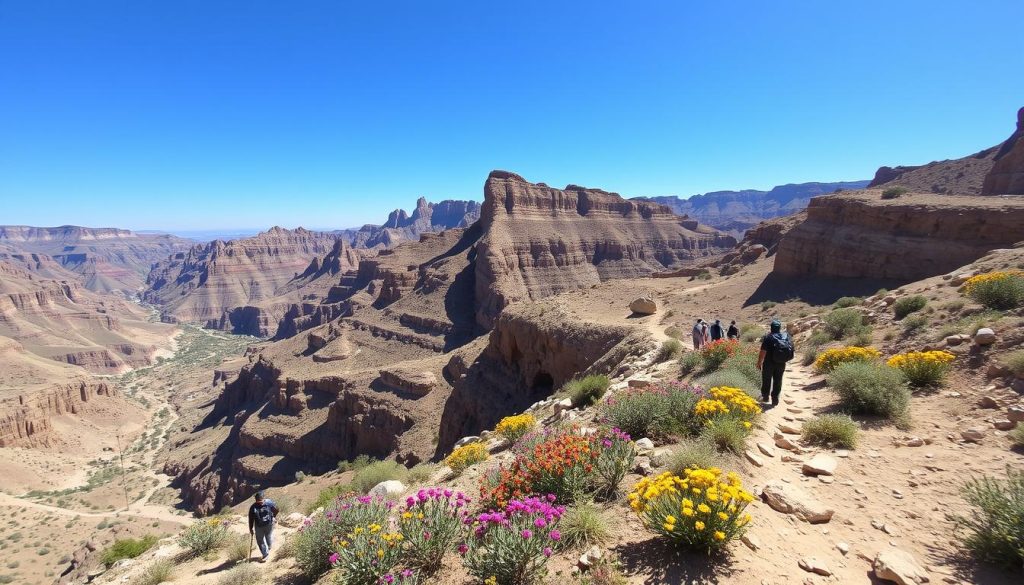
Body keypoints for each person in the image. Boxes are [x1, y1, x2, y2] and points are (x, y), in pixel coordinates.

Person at [756, 320, 795, 407]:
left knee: (767, 379)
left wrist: (759, 362)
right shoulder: (786, 336)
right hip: (781, 362)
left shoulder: (768, 337)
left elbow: (763, 351)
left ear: (771, 327)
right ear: (779, 328)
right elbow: (792, 348)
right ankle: (775, 399)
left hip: (768, 363)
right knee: (778, 380)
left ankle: (765, 397)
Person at [248, 491, 279, 562]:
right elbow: (277, 509)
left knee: (262, 539)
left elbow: (251, 519)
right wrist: (273, 516)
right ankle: (267, 551)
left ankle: (267, 550)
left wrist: (251, 528)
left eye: (260, 501)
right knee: (266, 537)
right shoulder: (269, 502)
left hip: (261, 525)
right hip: (267, 524)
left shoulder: (253, 507)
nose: (260, 503)